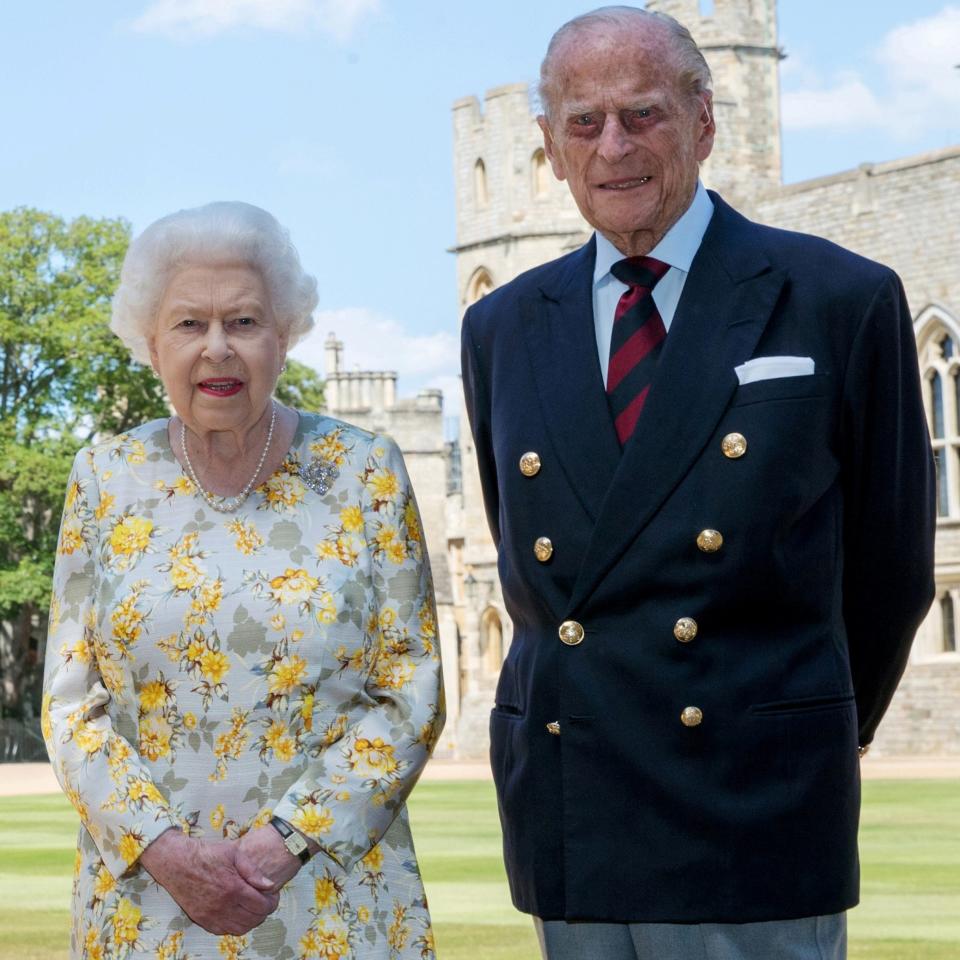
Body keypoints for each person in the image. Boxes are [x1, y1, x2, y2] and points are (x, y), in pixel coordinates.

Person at [460, 7, 935, 959]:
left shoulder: (839, 298)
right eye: (583, 124)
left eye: (644, 115)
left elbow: (892, 567)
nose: (614, 147)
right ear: (548, 149)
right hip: (574, 804)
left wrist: (797, 726)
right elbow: (531, 566)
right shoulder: (503, 324)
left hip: (751, 801)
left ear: (706, 124)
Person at [42, 201, 444, 960]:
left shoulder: (365, 472)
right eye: (190, 324)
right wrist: (164, 851)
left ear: (285, 335)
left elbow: (412, 692)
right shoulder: (104, 476)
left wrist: (283, 842)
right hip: (146, 904)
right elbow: (69, 705)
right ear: (150, 343)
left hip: (333, 898)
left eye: (245, 322)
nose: (218, 348)